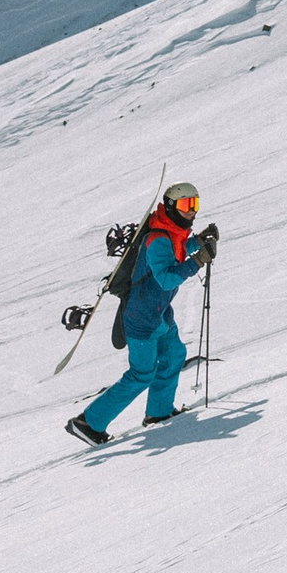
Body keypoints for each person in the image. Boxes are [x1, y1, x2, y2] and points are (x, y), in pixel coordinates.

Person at [67, 182, 218, 445]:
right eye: (185, 205)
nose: (191, 211)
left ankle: (159, 413)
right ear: (171, 207)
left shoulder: (172, 231)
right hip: (142, 319)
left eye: (194, 204)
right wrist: (197, 261)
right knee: (141, 374)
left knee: (174, 355)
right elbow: (166, 279)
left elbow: (178, 250)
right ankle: (87, 423)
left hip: (159, 312)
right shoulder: (158, 239)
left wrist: (198, 241)